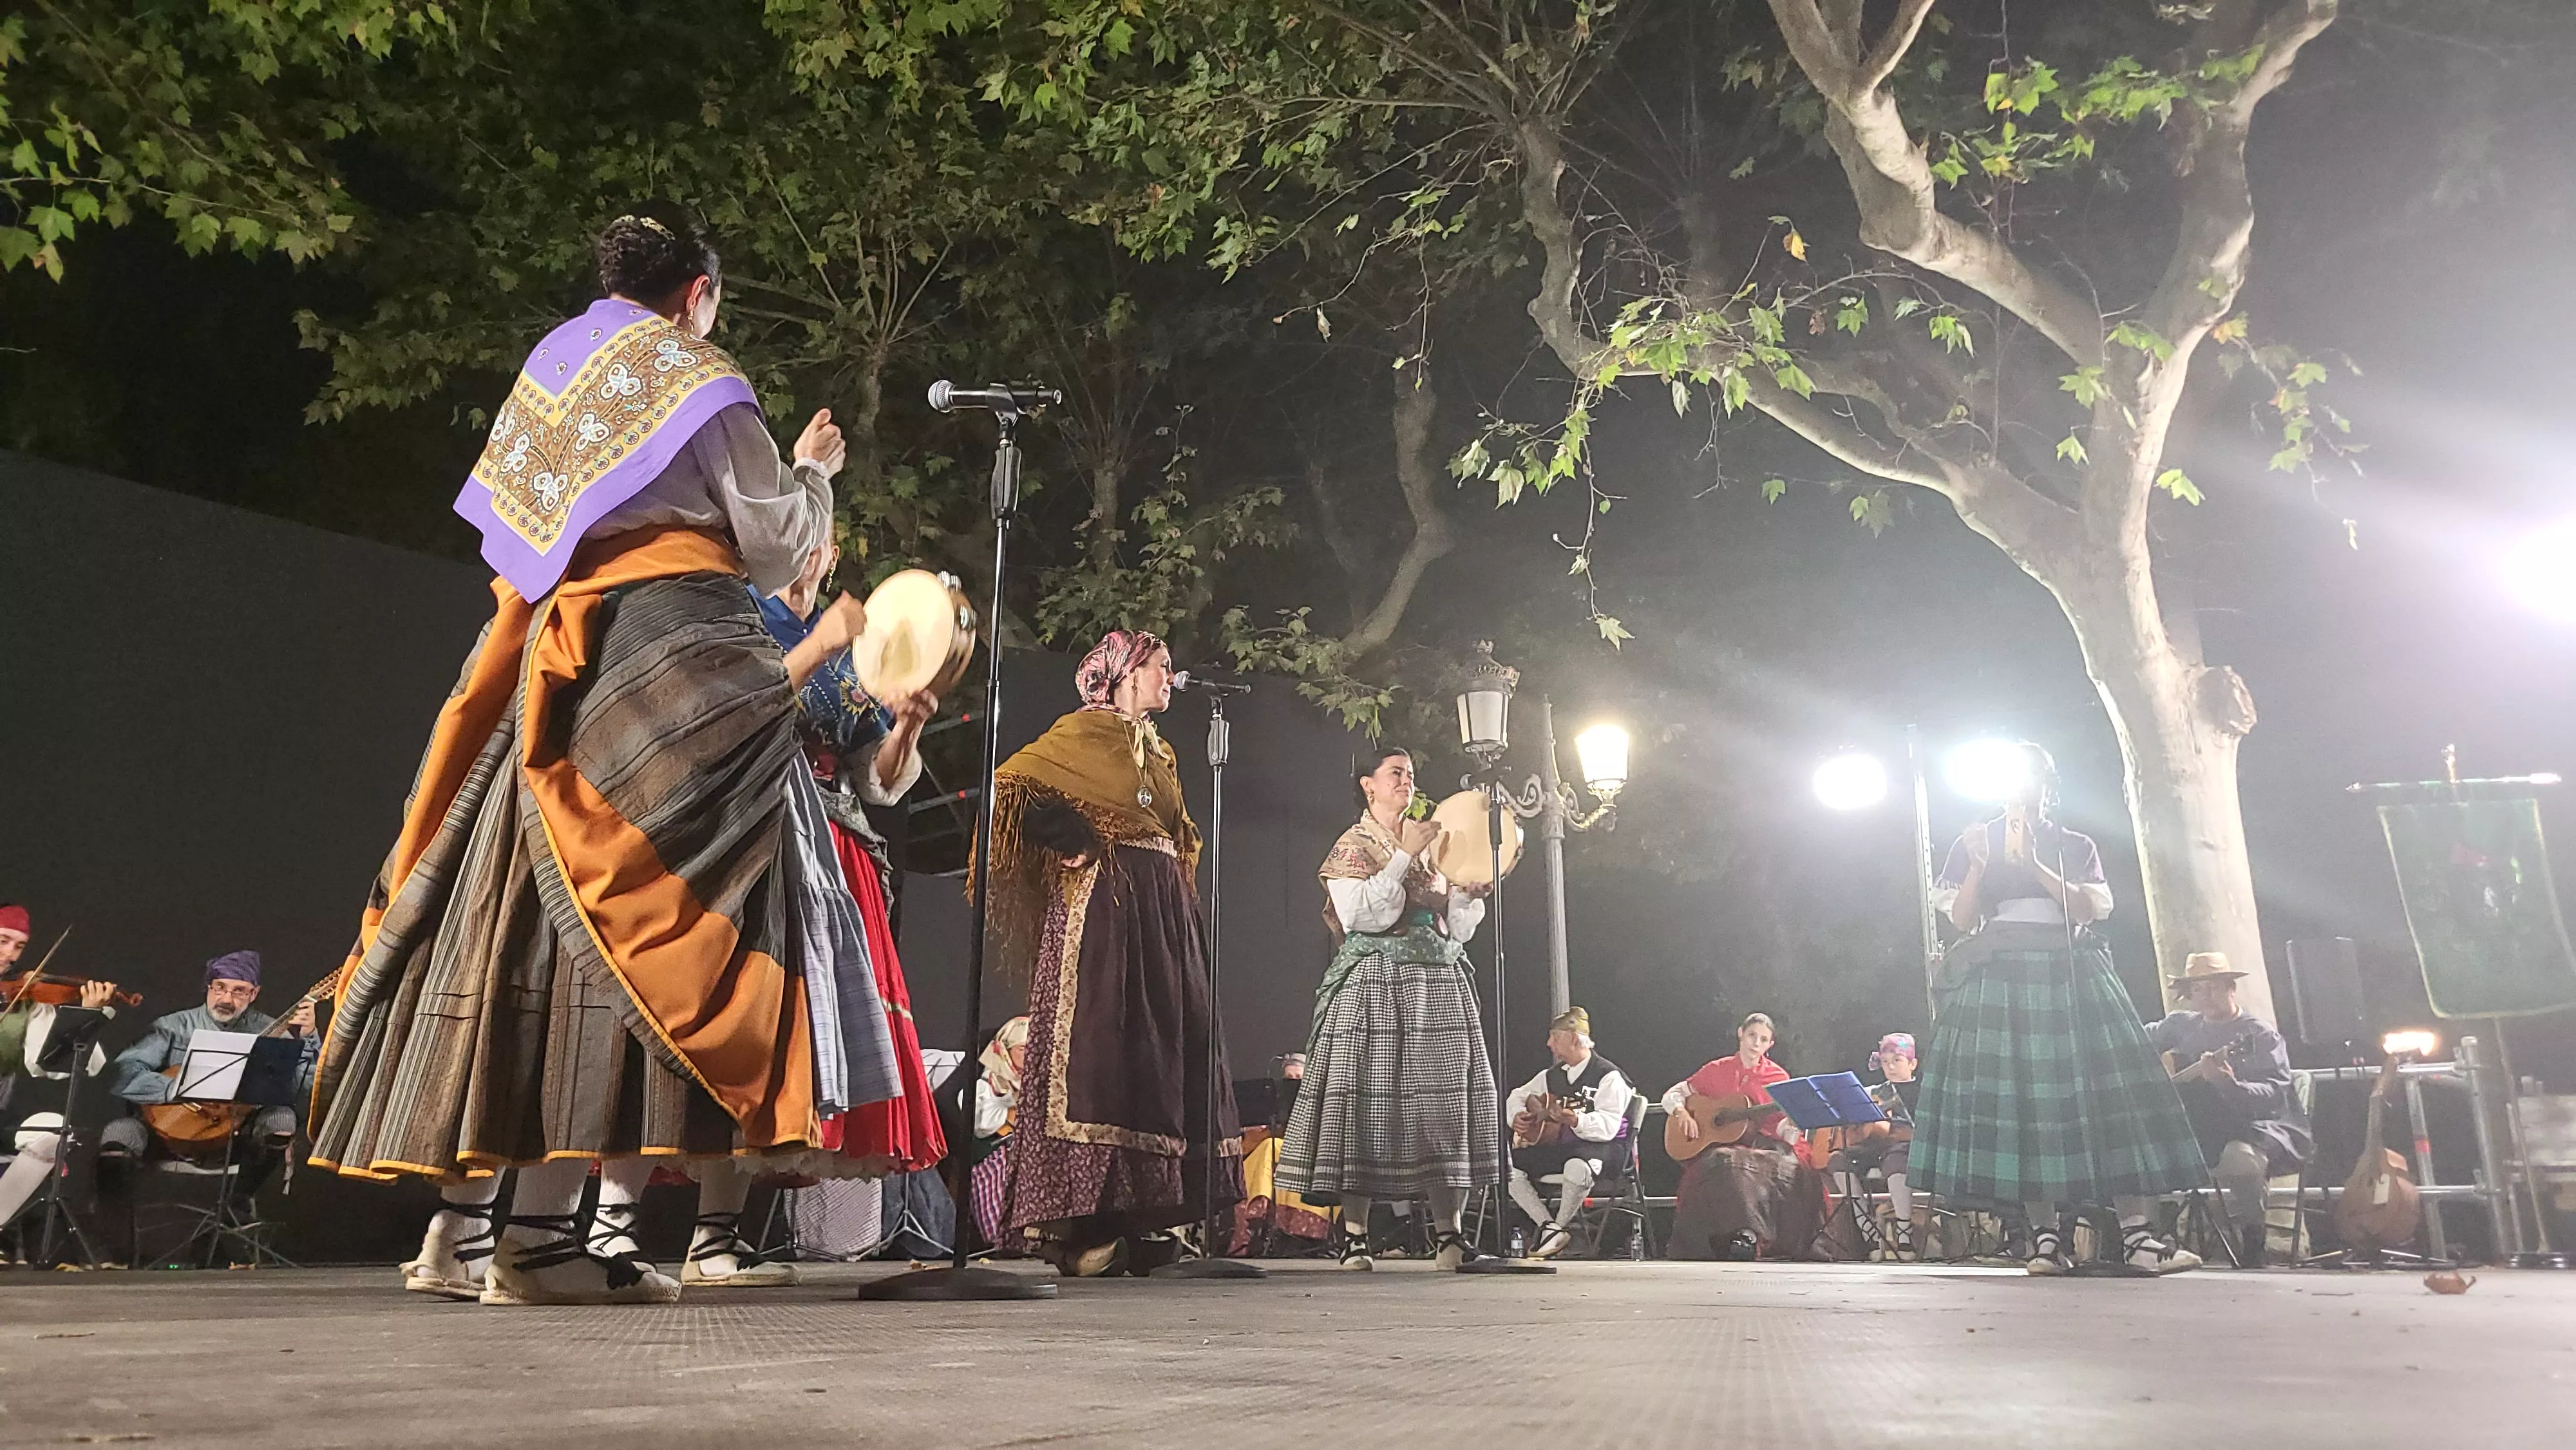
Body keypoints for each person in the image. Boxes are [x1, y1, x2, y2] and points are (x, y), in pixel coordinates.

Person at [308, 205, 902, 1306]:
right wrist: (813, 471)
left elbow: (522, 526)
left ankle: (459, 1233)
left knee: (524, 918)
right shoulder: (695, 370)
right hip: (666, 645)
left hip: (551, 655)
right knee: (634, 932)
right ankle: (538, 1243)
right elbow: (771, 541)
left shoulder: (553, 368)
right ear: (698, 293)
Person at [581, 538, 950, 1289]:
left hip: (823, 854)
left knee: (776, 1042)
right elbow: (728, 718)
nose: (805, 549)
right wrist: (820, 645)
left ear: (831, 550)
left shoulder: (853, 659)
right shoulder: (733, 616)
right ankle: (609, 1226)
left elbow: (876, 784)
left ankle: (716, 1240)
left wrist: (906, 723)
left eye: (819, 536)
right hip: (727, 834)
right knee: (679, 1018)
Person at [982, 629, 1245, 1277]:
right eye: (1160, 666)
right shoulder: (1081, 735)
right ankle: (1082, 1224)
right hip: (1102, 907)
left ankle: (1149, 1218)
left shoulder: (1157, 747)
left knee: (1160, 1053)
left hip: (1160, 911)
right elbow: (1011, 784)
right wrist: (1067, 836)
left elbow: (1174, 828)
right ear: (1126, 673)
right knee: (1100, 1044)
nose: (1169, 677)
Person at [1912, 741, 2207, 1276]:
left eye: (2033, 782)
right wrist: (1980, 865)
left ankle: (2139, 1240)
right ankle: (2044, 1240)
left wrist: (2035, 865)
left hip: (2071, 971)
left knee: (2112, 1099)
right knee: (2026, 1106)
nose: (2024, 793)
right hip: (2002, 975)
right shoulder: (1974, 841)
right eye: (2014, 782)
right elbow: (1960, 920)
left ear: (2048, 789)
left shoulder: (2074, 843)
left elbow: (2094, 908)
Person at [1275, 746, 1503, 1272]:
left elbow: (1459, 927)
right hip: (1375, 981)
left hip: (1439, 980)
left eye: (1411, 775)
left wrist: (1470, 894)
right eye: (1395, 774)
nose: (1406, 782)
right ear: (1368, 786)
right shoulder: (1352, 847)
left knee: (1447, 1107)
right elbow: (1365, 916)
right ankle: (1356, 1235)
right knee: (1363, 1105)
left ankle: (1451, 1236)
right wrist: (1403, 855)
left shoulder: (1433, 844)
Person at [97, 951, 317, 1228]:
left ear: (254, 994)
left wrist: (308, 1039)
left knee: (282, 1119)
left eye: (240, 991)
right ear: (208, 987)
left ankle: (236, 1206)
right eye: (220, 988)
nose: (227, 999)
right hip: (168, 1134)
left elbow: (307, 1089)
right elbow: (122, 1073)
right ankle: (115, 1245)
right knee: (119, 1134)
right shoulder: (173, 1027)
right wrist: (179, 1088)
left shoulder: (271, 1030)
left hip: (239, 1139)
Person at [2146, 952, 2312, 1267]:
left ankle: (2254, 1236)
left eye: (2213, 987)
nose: (2205, 996)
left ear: (2230, 988)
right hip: (2196, 1129)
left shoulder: (2258, 1035)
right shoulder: (2179, 1026)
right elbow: (2132, 1040)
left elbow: (2275, 1094)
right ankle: (2143, 1240)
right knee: (2138, 1153)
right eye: (2198, 989)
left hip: (2256, 1128)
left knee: (2240, 1161)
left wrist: (2230, 1085)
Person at [0, 905, 123, 1256]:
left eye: (19, 946)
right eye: (3, 941)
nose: (10, 954)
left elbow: (50, 1066)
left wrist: (88, 1014)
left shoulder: (26, 998)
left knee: (53, 1130)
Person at [1661, 1012, 1824, 1261]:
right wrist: (1682, 1113)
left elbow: (1781, 1127)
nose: (1756, 1043)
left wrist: (1793, 1124)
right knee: (1719, 1162)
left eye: (1763, 1039)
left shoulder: (1777, 1078)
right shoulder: (1716, 1070)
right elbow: (1673, 1094)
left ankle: (1748, 1236)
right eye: (1752, 1036)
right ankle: (1716, 1239)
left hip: (1766, 1147)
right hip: (1721, 1144)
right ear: (1740, 1034)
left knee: (1735, 1165)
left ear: (1770, 1045)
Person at [1502, 1006, 1635, 1260]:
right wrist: (1517, 1117)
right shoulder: (1553, 1076)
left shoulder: (1609, 1076)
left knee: (1577, 1165)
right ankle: (1549, 1228)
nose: (1549, 1043)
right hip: (1565, 1147)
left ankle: (1556, 1229)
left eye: (1556, 1037)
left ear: (1574, 1038)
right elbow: (1517, 1096)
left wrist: (1576, 1120)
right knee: (1508, 1167)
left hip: (1606, 1148)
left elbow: (1608, 1126)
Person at [1821, 1032, 1922, 1261]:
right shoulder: (1874, 1091)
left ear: (1912, 1064)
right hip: (1873, 1145)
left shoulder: (1922, 1092)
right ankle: (1869, 1231)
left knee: (1897, 1163)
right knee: (1839, 1161)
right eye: (1885, 1062)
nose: (1890, 1067)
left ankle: (1904, 1234)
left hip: (1902, 1144)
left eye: (1897, 1060)